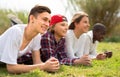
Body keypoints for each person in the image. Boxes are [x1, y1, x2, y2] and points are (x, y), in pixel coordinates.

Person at [0, 5, 59, 74]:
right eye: (44, 19)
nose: (47, 24)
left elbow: (37, 62)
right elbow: (11, 68)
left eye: (49, 21)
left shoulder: (37, 36)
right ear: (32, 18)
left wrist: (49, 64)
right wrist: (43, 66)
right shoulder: (16, 32)